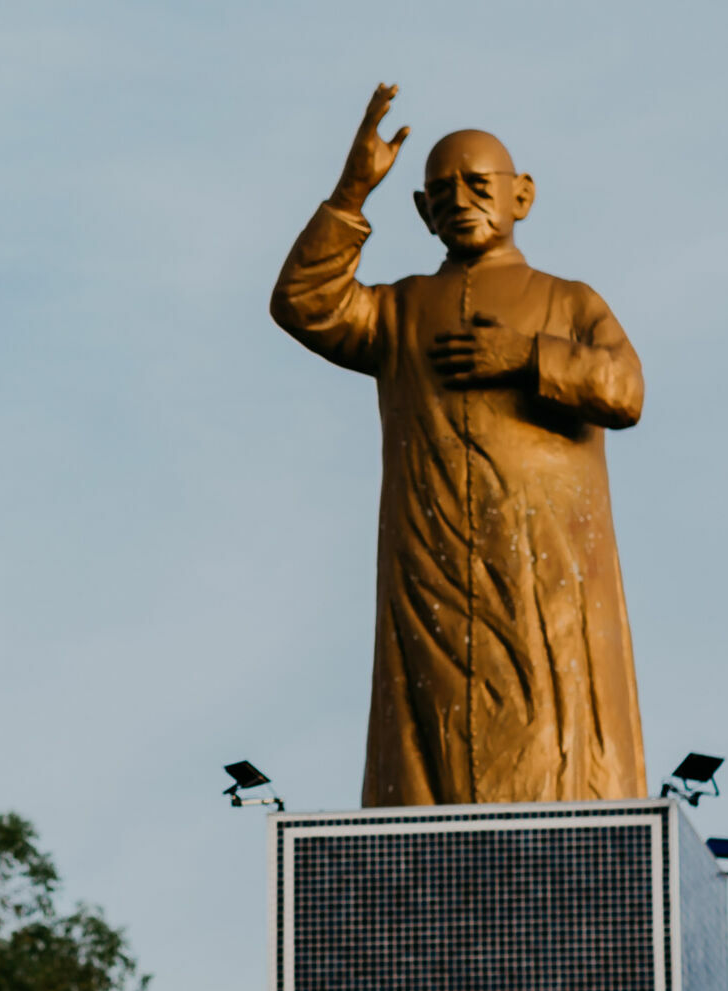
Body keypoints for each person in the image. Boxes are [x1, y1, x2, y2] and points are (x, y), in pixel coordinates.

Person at [271, 82, 647, 807]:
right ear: (421, 210)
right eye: (441, 192)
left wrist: (528, 357)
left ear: (521, 195)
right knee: (428, 741)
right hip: (432, 562)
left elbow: (625, 390)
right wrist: (352, 192)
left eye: (479, 184)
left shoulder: (569, 302)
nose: (460, 200)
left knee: (558, 735)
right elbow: (304, 303)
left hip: (547, 563)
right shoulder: (399, 310)